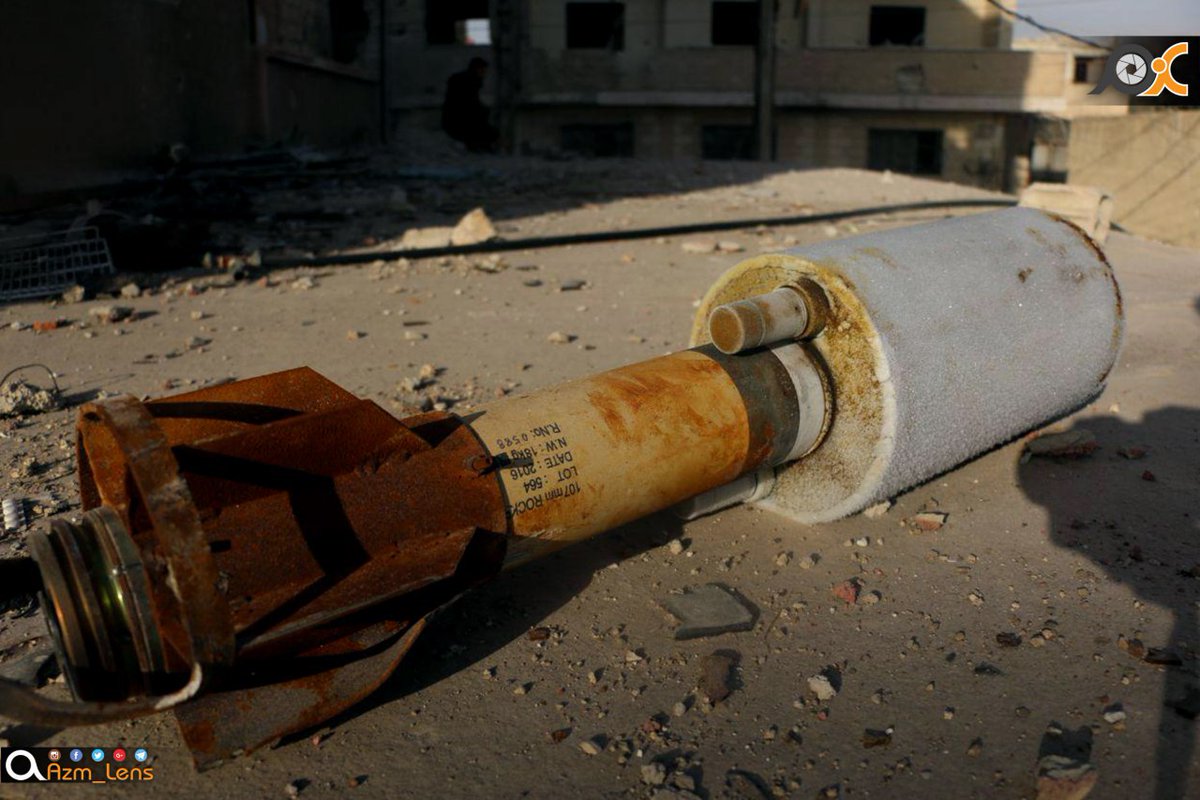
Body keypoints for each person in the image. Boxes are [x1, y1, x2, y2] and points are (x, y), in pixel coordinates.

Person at [441, 57, 499, 152]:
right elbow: (469, 106)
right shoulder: (469, 82)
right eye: (482, 71)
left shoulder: (468, 81)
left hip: (457, 121)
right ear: (477, 70)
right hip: (457, 122)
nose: (484, 74)